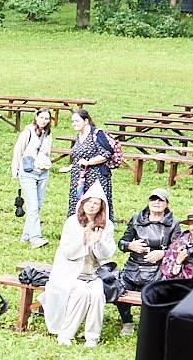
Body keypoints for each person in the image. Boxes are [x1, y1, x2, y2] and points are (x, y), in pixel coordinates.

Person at [46, 188, 118, 346]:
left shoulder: (107, 225)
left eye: (96, 203)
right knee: (81, 292)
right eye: (89, 202)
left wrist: (98, 241)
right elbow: (67, 251)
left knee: (97, 294)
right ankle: (66, 334)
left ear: (101, 207)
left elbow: (107, 254)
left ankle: (92, 336)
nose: (91, 206)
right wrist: (83, 241)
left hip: (95, 272)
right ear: (83, 203)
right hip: (72, 271)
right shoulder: (72, 222)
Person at [10, 108, 57, 248]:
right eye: (41, 117)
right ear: (36, 118)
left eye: (46, 118)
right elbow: (18, 150)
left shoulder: (48, 134)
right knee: (32, 206)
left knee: (37, 205)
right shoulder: (28, 132)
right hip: (28, 171)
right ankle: (35, 238)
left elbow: (47, 152)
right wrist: (16, 169)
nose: (43, 121)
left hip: (43, 171)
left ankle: (26, 236)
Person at [116, 186, 177, 293]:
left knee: (156, 294)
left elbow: (178, 250)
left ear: (166, 204)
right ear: (148, 202)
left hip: (158, 270)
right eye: (153, 199)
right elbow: (121, 243)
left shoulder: (173, 223)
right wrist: (130, 246)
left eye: (161, 200)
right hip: (134, 268)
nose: (156, 203)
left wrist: (163, 253)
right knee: (118, 291)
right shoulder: (136, 219)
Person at [66, 107, 116, 219]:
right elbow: (78, 156)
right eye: (72, 121)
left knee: (95, 203)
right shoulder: (79, 136)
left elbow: (106, 154)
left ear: (86, 121)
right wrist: (71, 166)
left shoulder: (97, 134)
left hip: (96, 176)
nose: (74, 124)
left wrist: (89, 162)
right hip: (79, 177)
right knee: (79, 203)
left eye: (77, 121)